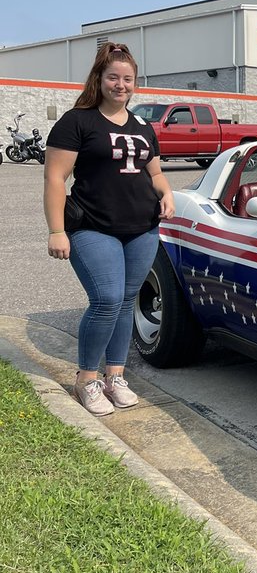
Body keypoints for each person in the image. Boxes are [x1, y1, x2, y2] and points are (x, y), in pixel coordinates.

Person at [43, 42, 175, 416]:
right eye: (113, 77)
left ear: (136, 83)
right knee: (105, 299)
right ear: (99, 79)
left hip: (142, 228)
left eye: (128, 79)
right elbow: (55, 178)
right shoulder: (77, 121)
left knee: (124, 301)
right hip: (92, 227)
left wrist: (166, 195)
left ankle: (115, 376)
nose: (121, 85)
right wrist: (57, 231)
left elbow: (156, 172)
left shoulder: (143, 127)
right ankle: (87, 379)